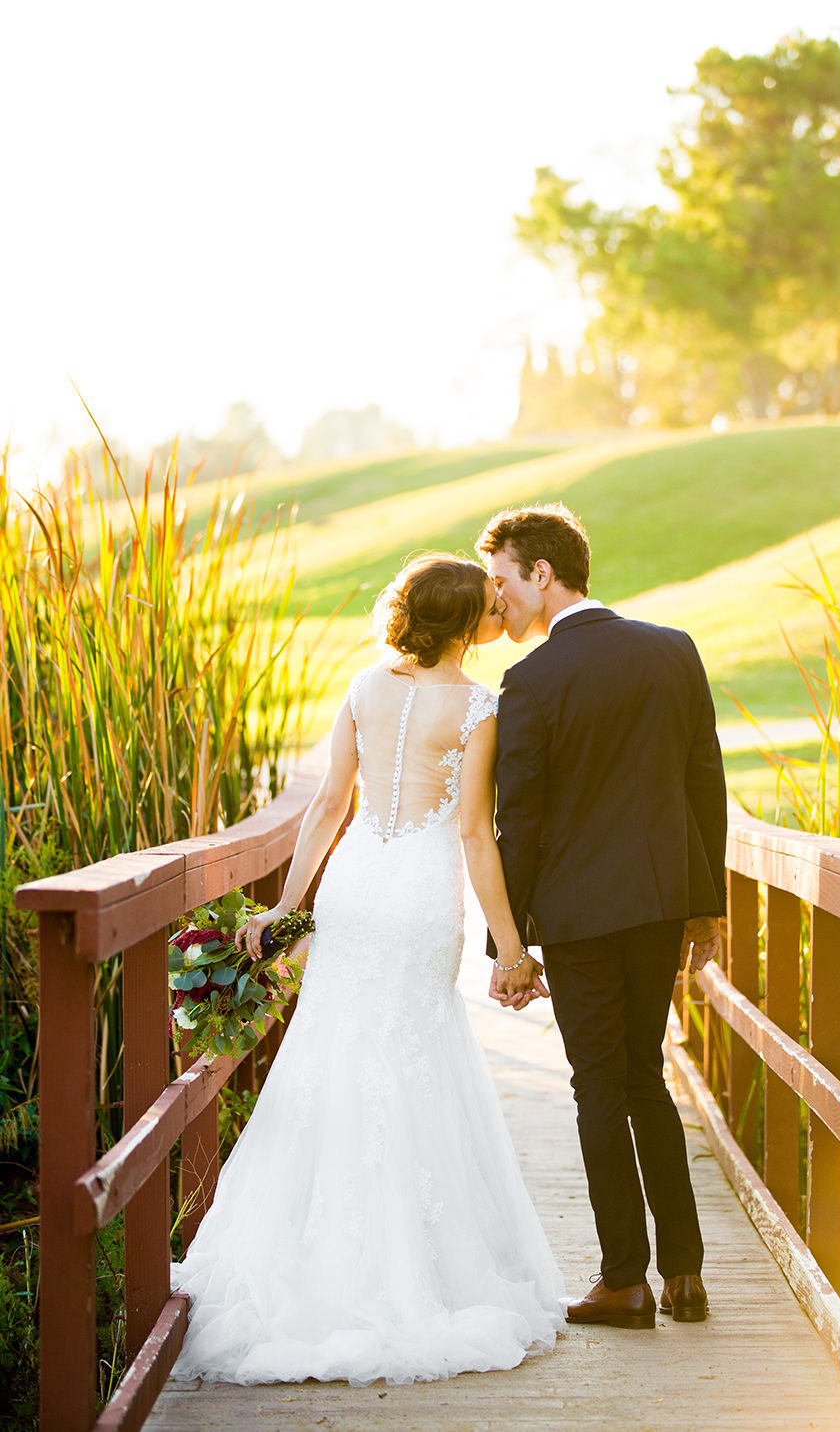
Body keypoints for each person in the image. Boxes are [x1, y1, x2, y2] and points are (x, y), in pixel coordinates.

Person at [170, 553, 565, 1386]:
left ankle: (311, 1252)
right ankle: (410, 1265)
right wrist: (509, 945)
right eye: (489, 604)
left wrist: (285, 906)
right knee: (415, 1051)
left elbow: (325, 806)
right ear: (465, 622)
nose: (500, 610)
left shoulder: (364, 686)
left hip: (356, 885)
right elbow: (472, 835)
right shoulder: (480, 706)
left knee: (333, 1045)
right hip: (420, 890)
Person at [475, 504, 727, 1331]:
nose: (498, 600)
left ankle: (625, 1279)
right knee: (644, 1078)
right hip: (659, 905)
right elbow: (704, 785)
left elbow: (523, 821)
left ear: (542, 575)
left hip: (580, 917)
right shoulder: (673, 650)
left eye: (505, 582)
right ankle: (685, 1275)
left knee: (596, 1088)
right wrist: (706, 908)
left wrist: (507, 945)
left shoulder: (532, 682)